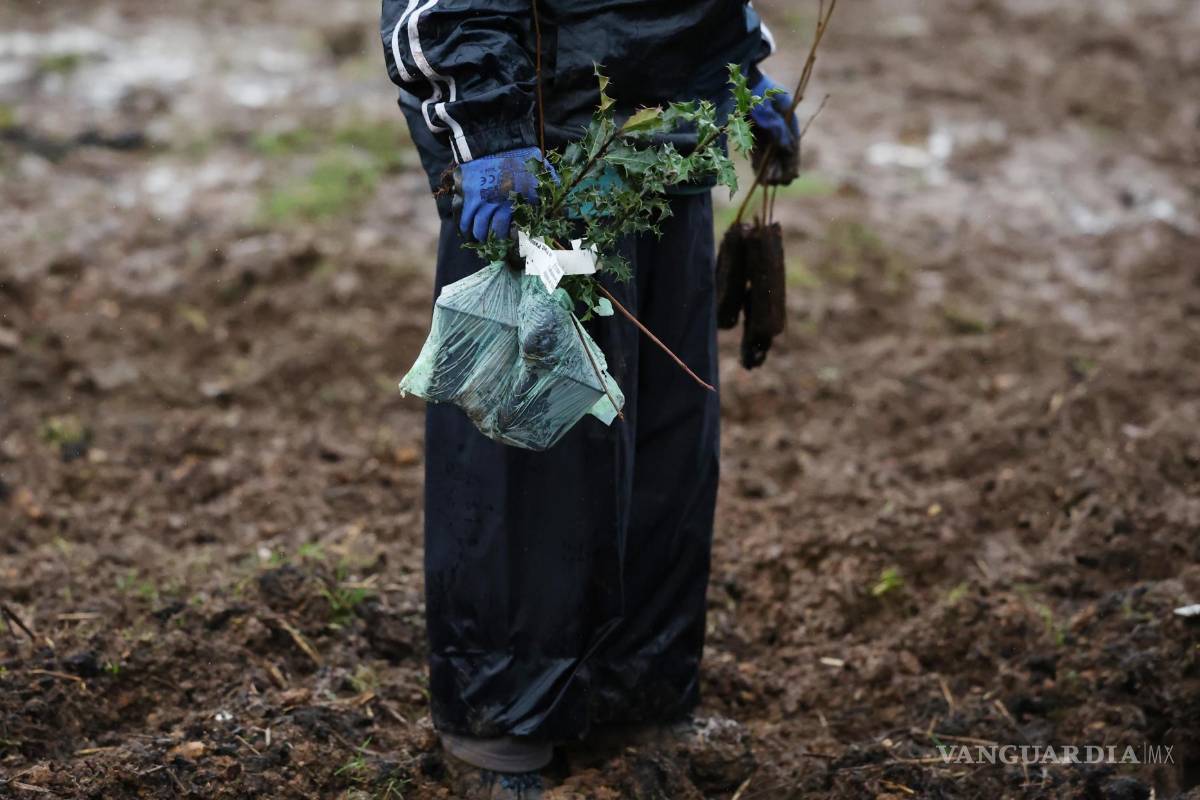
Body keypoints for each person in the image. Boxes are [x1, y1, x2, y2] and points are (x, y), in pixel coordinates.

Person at [381, 2, 799, 797]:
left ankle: (634, 700)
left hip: (670, 140)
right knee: (536, 444)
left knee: (664, 442)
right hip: (545, 145)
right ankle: (502, 729)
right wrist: (490, 130)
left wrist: (735, 69)